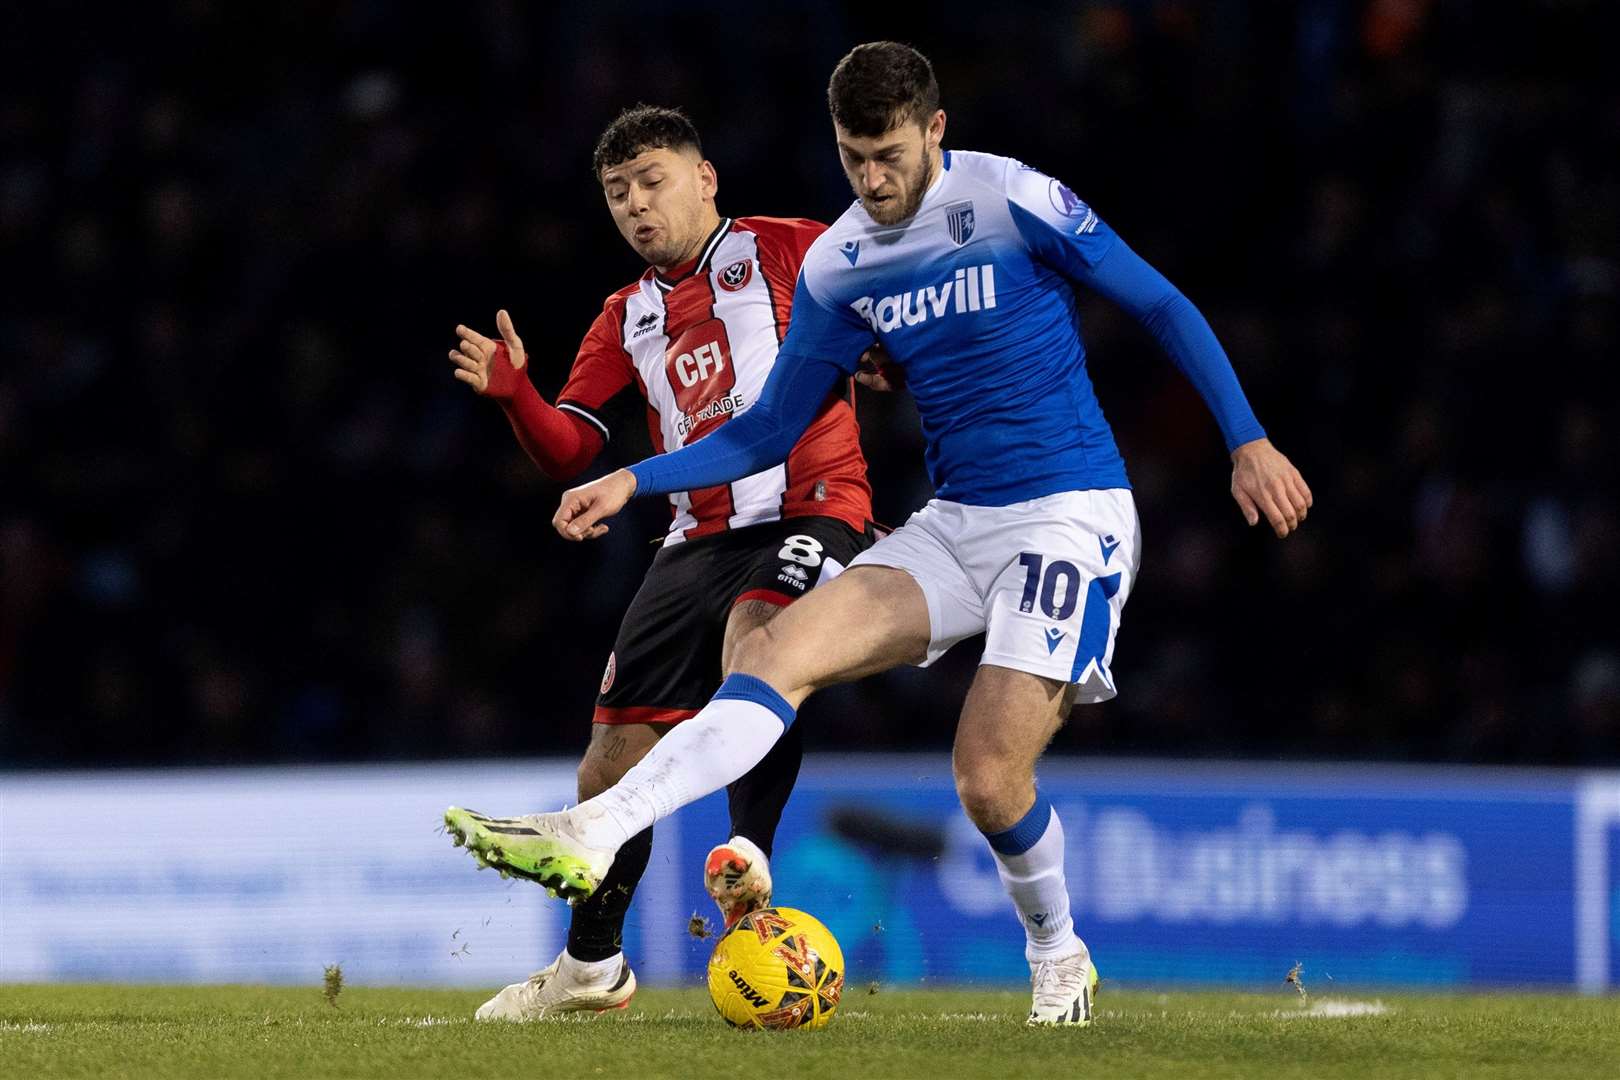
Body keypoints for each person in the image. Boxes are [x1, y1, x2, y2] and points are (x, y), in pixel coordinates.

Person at [445, 44, 1312, 1026]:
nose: (873, 179)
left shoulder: (1013, 198)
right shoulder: (840, 260)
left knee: (988, 777)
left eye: (889, 154)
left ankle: (1058, 951)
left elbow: (1158, 300)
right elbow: (769, 426)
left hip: (1067, 516)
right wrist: (633, 480)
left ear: (934, 131)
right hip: (957, 524)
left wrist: (1247, 439)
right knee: (772, 653)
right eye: (854, 157)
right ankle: (596, 826)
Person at [445, 104, 884, 1021]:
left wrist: (888, 350)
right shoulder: (624, 318)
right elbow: (572, 451)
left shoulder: (790, 250)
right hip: (691, 539)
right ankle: (593, 969)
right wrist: (517, 393)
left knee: (760, 640)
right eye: (617, 193)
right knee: (607, 771)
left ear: (706, 178)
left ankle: (748, 857)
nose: (637, 206)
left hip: (813, 509)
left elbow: (893, 315)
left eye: (653, 181)